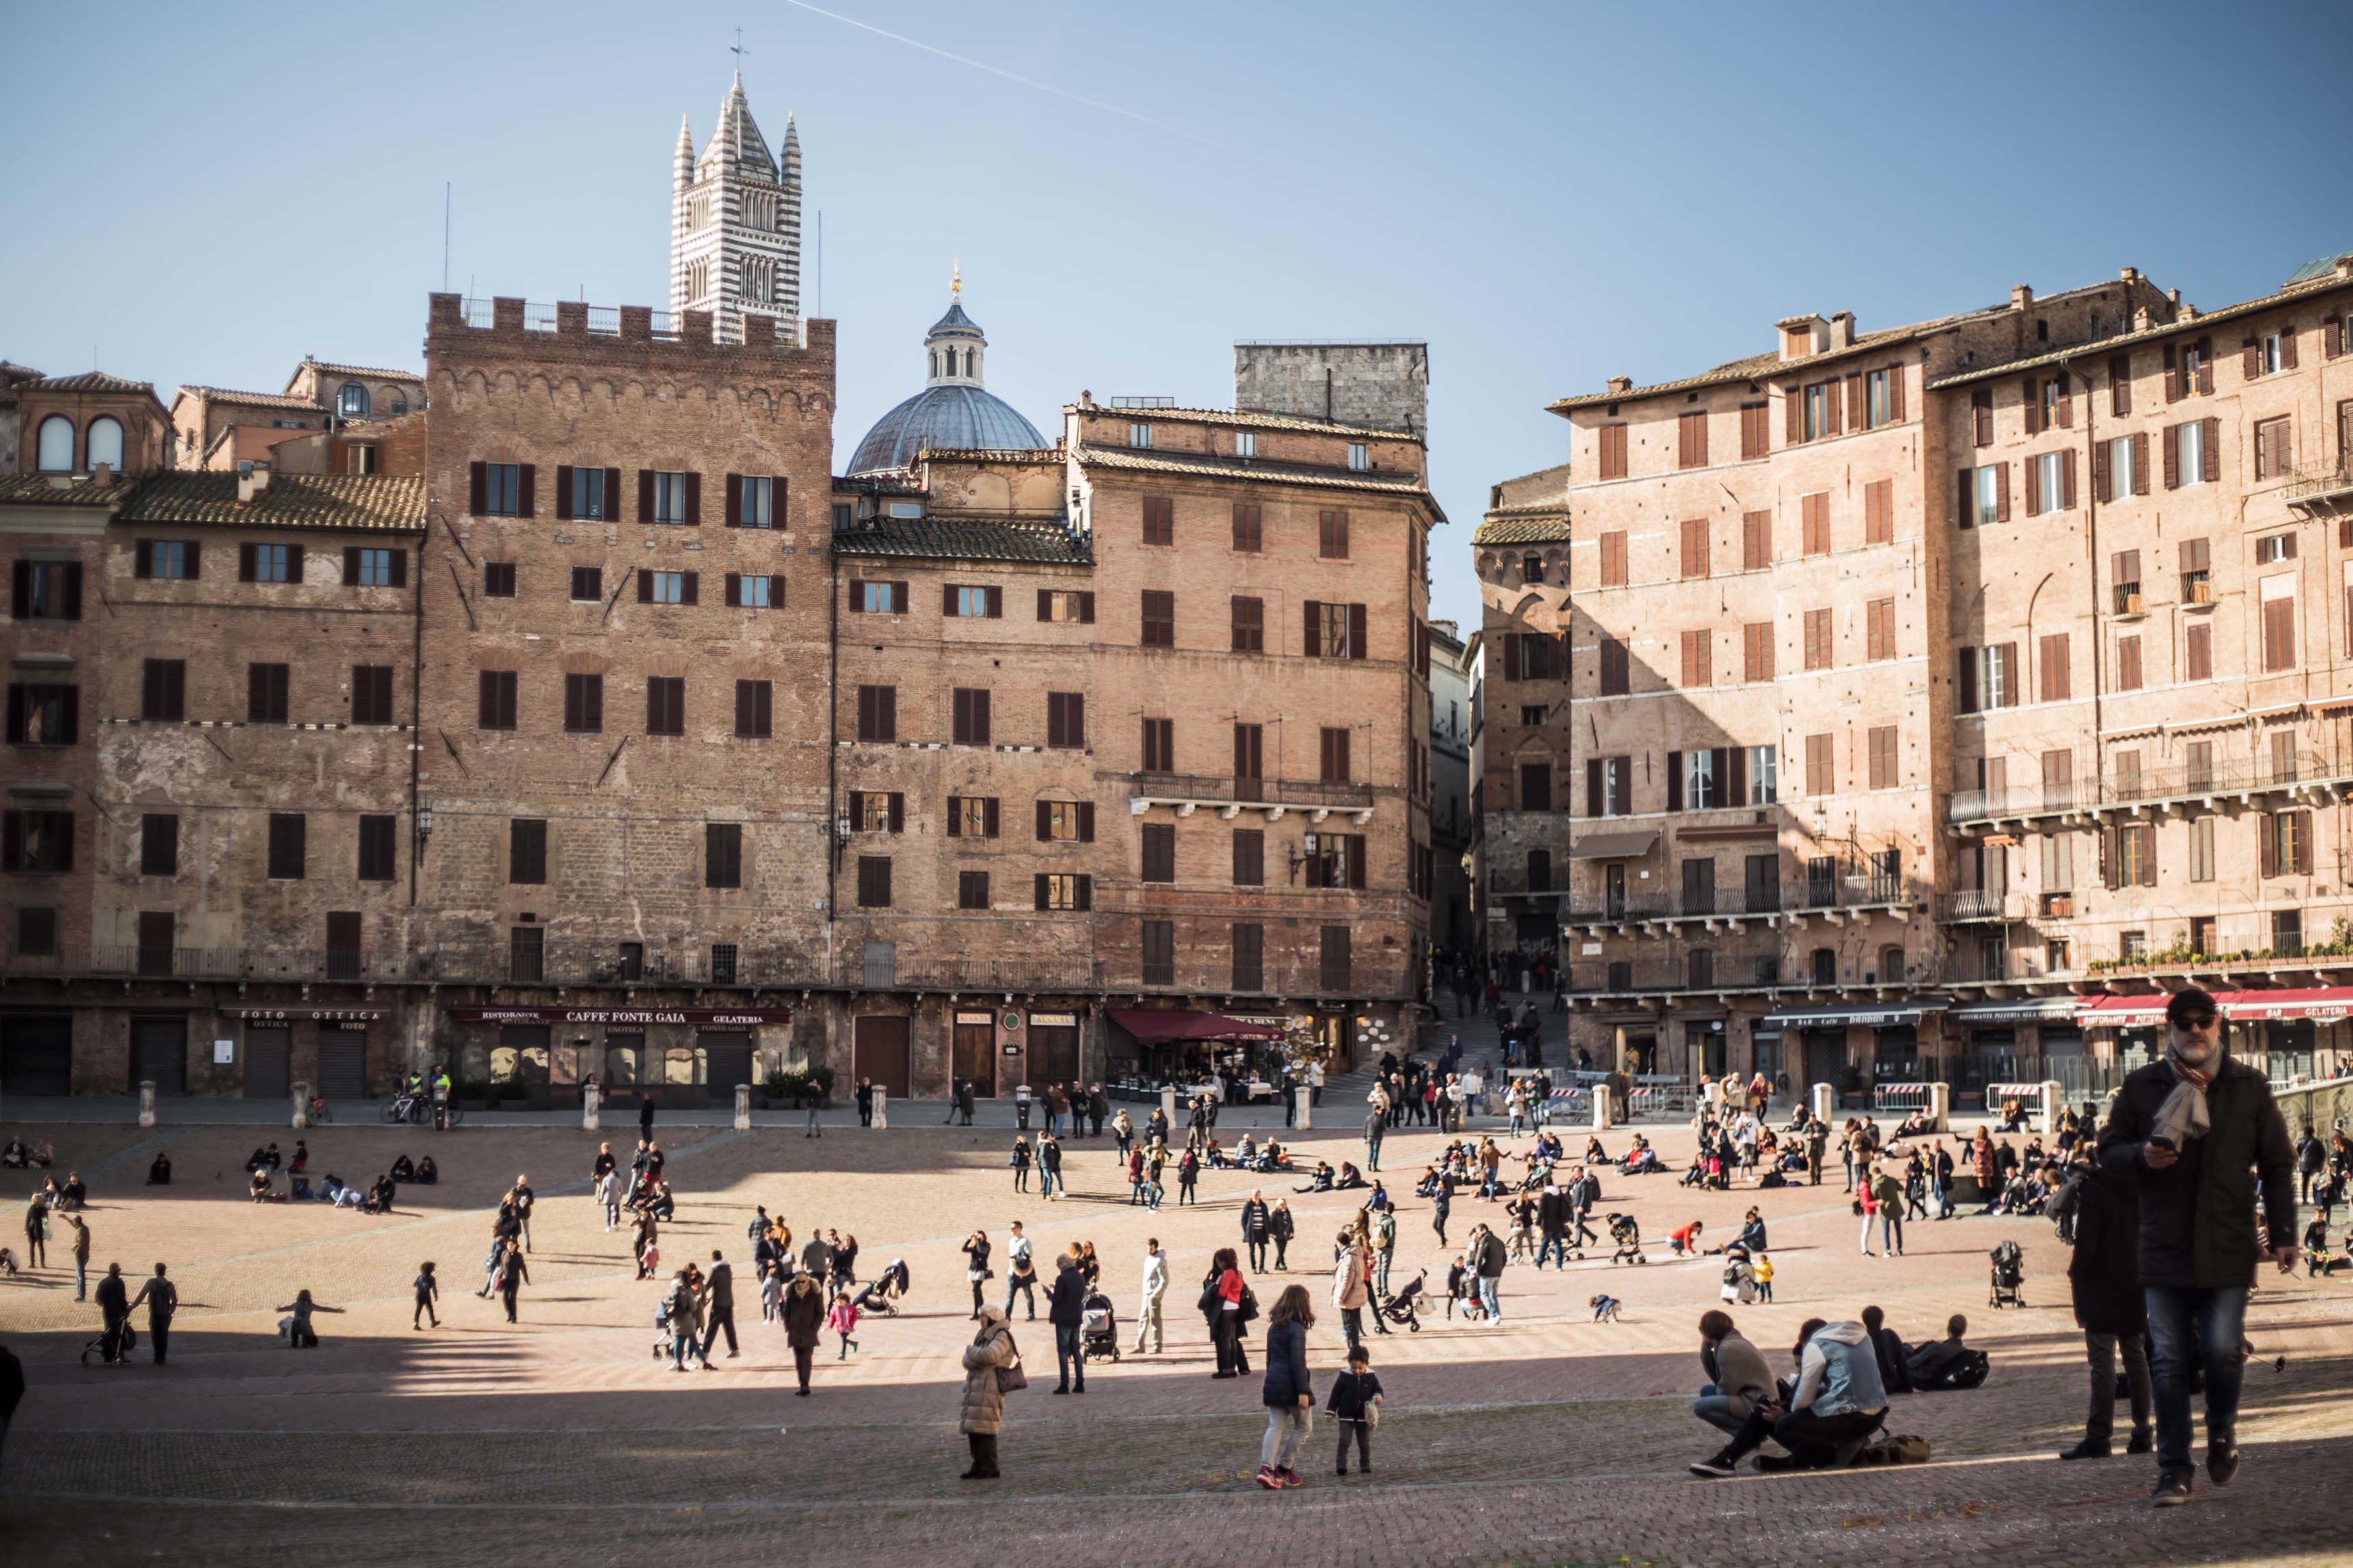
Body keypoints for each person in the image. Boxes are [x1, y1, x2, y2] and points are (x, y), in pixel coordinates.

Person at [2098, 987, 2296, 1506]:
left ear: (2218, 1025)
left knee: (2224, 1350)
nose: (2193, 1029)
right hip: (2162, 1247)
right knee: (2167, 1359)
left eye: (2203, 1021)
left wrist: (2283, 1235)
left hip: (2229, 1246)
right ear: (2168, 1028)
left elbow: (2277, 1162)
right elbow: (2108, 1151)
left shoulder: (2247, 1086)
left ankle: (2224, 1428)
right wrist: (2141, 1155)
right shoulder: (2143, 1087)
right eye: (2183, 1021)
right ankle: (2174, 1469)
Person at [2061, 1156, 2153, 1461]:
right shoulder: (2141, 1189)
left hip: (2101, 1285)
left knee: (2102, 1363)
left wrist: (2077, 1277)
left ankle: (2099, 1436)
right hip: (2134, 1281)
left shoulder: (2094, 1191)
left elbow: (2086, 1246)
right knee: (2136, 1358)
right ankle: (2142, 1432)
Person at [1687, 1310, 1776, 1473]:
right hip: (1756, 1396)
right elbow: (1718, 1382)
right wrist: (1706, 1349)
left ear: (1705, 1332)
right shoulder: (1734, 1341)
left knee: (1700, 1406)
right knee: (1707, 1391)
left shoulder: (1728, 1348)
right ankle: (1749, 1435)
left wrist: (1706, 1347)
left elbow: (1728, 1389)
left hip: (1757, 1401)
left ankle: (1750, 1437)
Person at [1256, 1284, 1316, 1489]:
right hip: (1291, 1383)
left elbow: (1269, 1359)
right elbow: (1298, 1361)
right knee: (1304, 1427)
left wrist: (1271, 1381)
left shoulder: (1274, 1327)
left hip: (1274, 1380)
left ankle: (1266, 1468)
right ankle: (1284, 1468)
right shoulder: (1296, 1329)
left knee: (1276, 1426)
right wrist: (1303, 1390)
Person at [958, 1303, 1018, 1480]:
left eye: (983, 1317)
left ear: (991, 1318)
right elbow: (967, 1362)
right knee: (974, 1429)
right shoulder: (982, 1335)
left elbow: (990, 1356)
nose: (980, 1320)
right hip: (977, 1387)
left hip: (989, 1388)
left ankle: (990, 1467)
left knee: (986, 1428)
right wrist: (976, 1356)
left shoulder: (1002, 1336)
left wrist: (970, 1350)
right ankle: (977, 1464)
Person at [1327, 1344, 1383, 1476]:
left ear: (1367, 1364)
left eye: (1360, 1368)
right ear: (1349, 1363)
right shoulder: (1344, 1377)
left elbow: (1378, 1389)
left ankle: (1365, 1464)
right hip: (1346, 1415)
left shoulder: (1371, 1377)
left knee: (1364, 1443)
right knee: (1344, 1441)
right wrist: (1330, 1412)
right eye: (1354, 1368)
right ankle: (1341, 1465)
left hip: (1364, 1416)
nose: (1357, 1371)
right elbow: (1335, 1395)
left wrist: (1378, 1396)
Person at [1046, 1249, 1088, 1394]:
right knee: (1076, 1350)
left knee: (1063, 1351)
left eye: (1059, 1264)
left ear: (1063, 1263)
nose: (1059, 1267)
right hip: (1076, 1317)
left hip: (1063, 1318)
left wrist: (1049, 1294)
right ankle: (1080, 1383)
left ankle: (1064, 1384)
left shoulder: (1062, 1278)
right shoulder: (1079, 1277)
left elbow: (1057, 1300)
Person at [1205, 1246, 1250, 1377]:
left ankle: (1227, 1369)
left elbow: (1223, 1292)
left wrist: (1213, 1289)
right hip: (1235, 1307)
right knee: (1231, 1340)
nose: (1218, 1264)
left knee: (1226, 1340)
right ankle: (1237, 1368)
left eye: (1220, 1261)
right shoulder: (1237, 1273)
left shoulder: (1228, 1273)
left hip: (1225, 1308)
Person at [782, 1271, 825, 1394]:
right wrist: (788, 1326)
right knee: (798, 1360)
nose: (800, 1284)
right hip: (795, 1331)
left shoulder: (815, 1293)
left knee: (806, 1359)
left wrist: (815, 1327)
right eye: (798, 1282)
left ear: (808, 1281)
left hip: (809, 1331)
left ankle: (805, 1384)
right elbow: (786, 1312)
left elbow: (820, 1312)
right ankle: (802, 1384)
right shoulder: (791, 1294)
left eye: (803, 1282)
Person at [1332, 1229, 1371, 1353]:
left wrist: (1341, 1296)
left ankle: (1353, 1352)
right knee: (1354, 1324)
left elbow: (1347, 1279)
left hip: (1350, 1296)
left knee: (1350, 1326)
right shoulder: (1357, 1254)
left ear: (1339, 1243)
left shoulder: (1348, 1257)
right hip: (1357, 1293)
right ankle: (1355, 1350)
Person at [1905, 1314, 1972, 1387]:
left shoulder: (1937, 1348)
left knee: (1905, 1349)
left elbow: (1911, 1363)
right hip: (1937, 1380)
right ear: (1964, 1331)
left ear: (1948, 1329)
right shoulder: (1965, 1352)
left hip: (1921, 1378)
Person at [702, 1249, 739, 1362]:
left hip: (718, 1303)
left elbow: (708, 1285)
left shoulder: (715, 1270)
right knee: (729, 1327)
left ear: (713, 1258)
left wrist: (698, 1296)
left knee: (712, 1328)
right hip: (729, 1301)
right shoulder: (728, 1269)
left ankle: (705, 1352)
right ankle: (735, 1349)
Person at [276, 1289, 341, 1348]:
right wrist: (337, 1311)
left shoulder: (296, 1305)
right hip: (306, 1328)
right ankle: (305, 1341)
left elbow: (287, 1308)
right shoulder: (311, 1306)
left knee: (294, 1344)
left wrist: (280, 1309)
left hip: (295, 1327)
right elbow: (324, 1309)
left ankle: (295, 1343)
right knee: (314, 1343)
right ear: (309, 1296)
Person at [1134, 1237, 1167, 1355]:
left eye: (1151, 1248)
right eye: (1147, 1248)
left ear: (1155, 1247)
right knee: (1142, 1319)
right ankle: (1139, 1345)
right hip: (1146, 1293)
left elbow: (1164, 1280)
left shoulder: (1160, 1261)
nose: (1149, 1250)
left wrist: (1156, 1294)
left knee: (1155, 1321)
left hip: (1153, 1295)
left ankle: (1157, 1346)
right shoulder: (1148, 1259)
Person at [95, 1262, 131, 1364]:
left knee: (109, 1334)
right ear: (117, 1272)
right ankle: (120, 1356)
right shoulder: (120, 1283)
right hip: (119, 1313)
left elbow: (98, 1299)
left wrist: (106, 1305)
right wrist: (126, 1309)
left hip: (107, 1313)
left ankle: (108, 1356)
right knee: (120, 1334)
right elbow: (122, 1299)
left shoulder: (103, 1282)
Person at [495, 1240, 529, 1323]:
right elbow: (502, 1266)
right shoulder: (504, 1254)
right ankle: (509, 1314)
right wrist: (500, 1276)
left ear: (515, 1246)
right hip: (506, 1280)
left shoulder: (518, 1256)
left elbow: (523, 1268)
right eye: (508, 1245)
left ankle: (514, 1317)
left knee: (512, 1298)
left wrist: (526, 1279)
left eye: (511, 1245)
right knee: (505, 1298)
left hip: (515, 1280)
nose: (509, 1246)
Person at [962, 1230, 993, 1320]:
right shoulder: (974, 1244)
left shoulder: (987, 1245)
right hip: (973, 1270)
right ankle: (983, 1312)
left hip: (981, 1270)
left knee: (975, 1290)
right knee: (978, 1291)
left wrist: (980, 1240)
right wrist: (969, 1239)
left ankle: (976, 1313)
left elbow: (981, 1250)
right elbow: (964, 1249)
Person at [62, 1211, 90, 1301]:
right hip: (85, 1255)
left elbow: (81, 1243)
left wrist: (76, 1251)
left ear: (77, 1222)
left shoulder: (81, 1230)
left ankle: (81, 1296)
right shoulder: (84, 1228)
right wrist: (66, 1219)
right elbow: (75, 1226)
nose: (73, 1223)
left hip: (80, 1255)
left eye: (74, 1222)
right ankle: (80, 1295)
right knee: (79, 1274)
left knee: (80, 1275)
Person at [828, 1288, 861, 1359]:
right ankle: (853, 1343)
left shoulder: (850, 1307)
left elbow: (855, 1316)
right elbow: (832, 1317)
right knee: (843, 1339)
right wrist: (830, 1325)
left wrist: (852, 1323)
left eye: (841, 1302)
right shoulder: (835, 1308)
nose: (840, 1303)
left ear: (845, 1301)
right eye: (838, 1302)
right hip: (840, 1327)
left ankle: (842, 1354)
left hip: (847, 1326)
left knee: (843, 1339)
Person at [1269, 1197, 1296, 1271]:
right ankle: (1283, 1264)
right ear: (1278, 1205)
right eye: (1281, 1205)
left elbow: (1290, 1222)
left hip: (1285, 1234)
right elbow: (1270, 1223)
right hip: (1277, 1234)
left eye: (1284, 1204)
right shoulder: (1275, 1213)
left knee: (1282, 1250)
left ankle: (1277, 1265)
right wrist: (1270, 1233)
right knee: (1280, 1250)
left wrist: (1292, 1231)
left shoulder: (1287, 1212)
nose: (1283, 1206)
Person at [412, 1261, 440, 1329]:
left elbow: (415, 1285)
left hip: (418, 1295)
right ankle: (433, 1322)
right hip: (426, 1296)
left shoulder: (419, 1277)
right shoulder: (432, 1279)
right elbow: (434, 1289)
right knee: (430, 1309)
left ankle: (416, 1323)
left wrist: (420, 1286)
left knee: (418, 1310)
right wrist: (436, 1296)